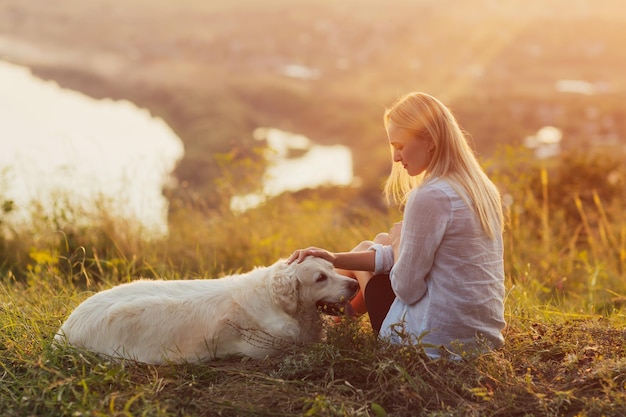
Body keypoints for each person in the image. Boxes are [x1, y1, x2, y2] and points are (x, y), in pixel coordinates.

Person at [287, 92, 506, 358]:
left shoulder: (430, 196)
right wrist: (332, 258)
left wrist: (400, 241)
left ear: (429, 140)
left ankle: (326, 328)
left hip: (432, 342)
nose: (396, 158)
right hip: (480, 338)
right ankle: (334, 326)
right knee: (378, 242)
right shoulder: (480, 189)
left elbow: (407, 289)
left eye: (400, 146)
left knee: (383, 243)